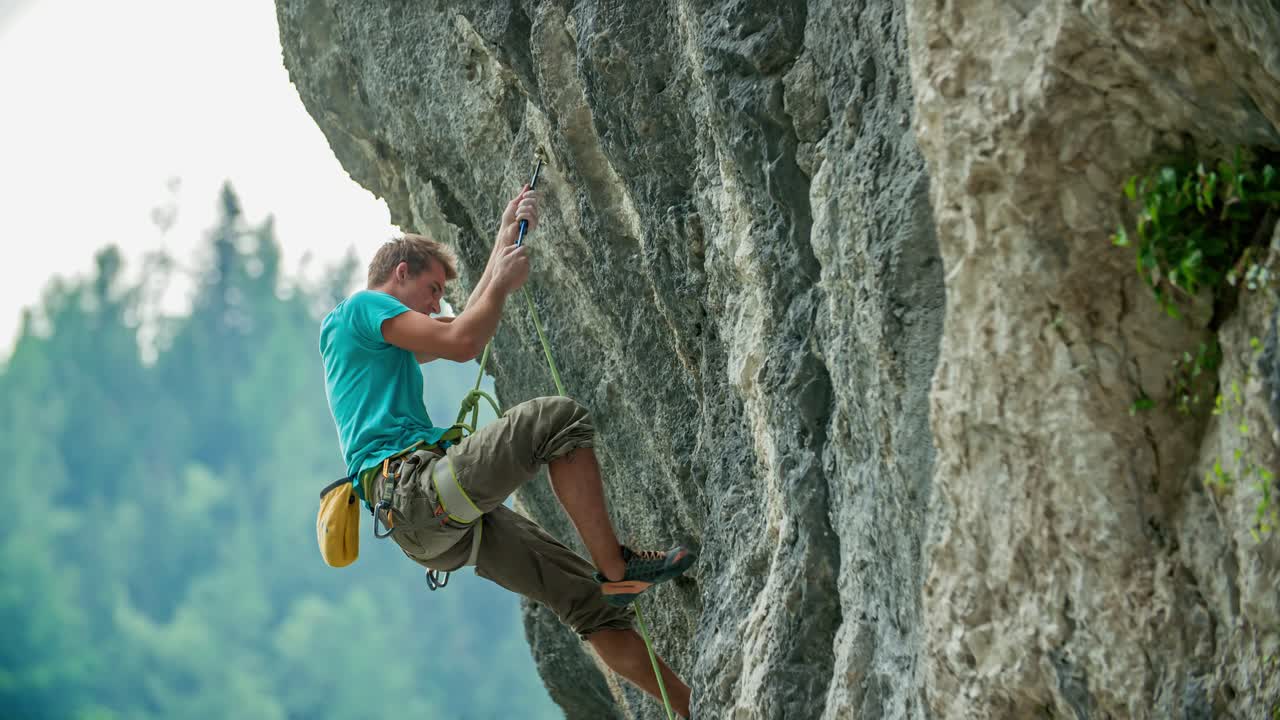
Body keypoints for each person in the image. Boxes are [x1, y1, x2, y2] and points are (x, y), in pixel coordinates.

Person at [319, 183, 696, 717]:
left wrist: (503, 240)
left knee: (589, 607)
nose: (436, 303)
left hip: (426, 525)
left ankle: (698, 709)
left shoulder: (373, 342)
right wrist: (498, 281)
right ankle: (618, 564)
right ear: (399, 272)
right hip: (418, 491)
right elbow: (463, 342)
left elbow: (465, 323)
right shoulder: (362, 309)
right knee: (556, 420)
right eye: (431, 289)